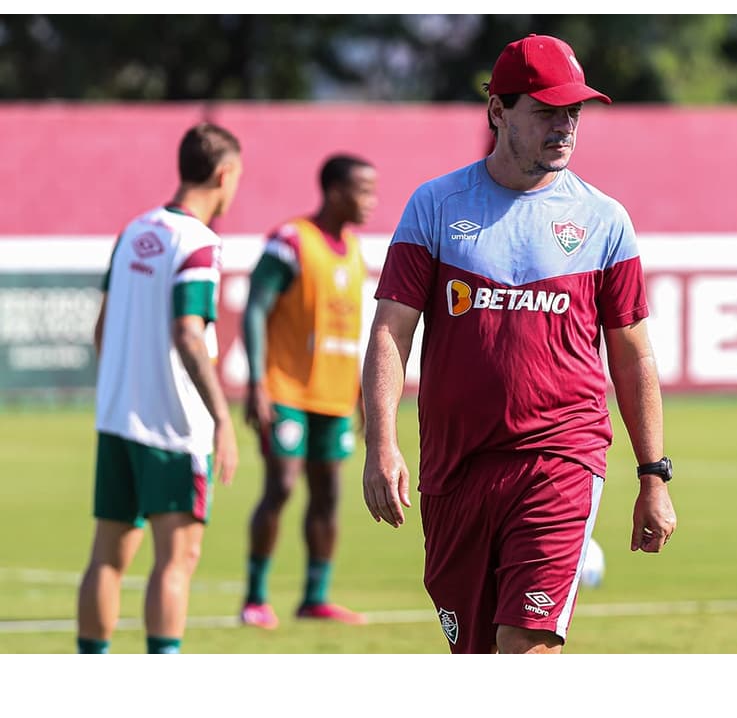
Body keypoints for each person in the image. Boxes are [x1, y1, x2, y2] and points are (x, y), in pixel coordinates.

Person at [362, 33, 678, 654]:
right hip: (453, 470)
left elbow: (633, 353)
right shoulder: (434, 206)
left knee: (526, 648)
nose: (564, 127)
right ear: (498, 112)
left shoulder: (604, 220)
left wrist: (653, 475)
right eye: (546, 112)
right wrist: (382, 443)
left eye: (573, 113)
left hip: (560, 457)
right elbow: (390, 331)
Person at [76, 122, 243, 654]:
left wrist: (126, 389)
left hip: (118, 421)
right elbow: (190, 334)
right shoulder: (199, 241)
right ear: (224, 173)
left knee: (106, 556)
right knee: (177, 560)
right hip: (174, 427)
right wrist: (221, 420)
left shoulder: (133, 231)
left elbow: (102, 329)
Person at [239, 154, 377, 629]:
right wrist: (256, 381)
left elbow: (350, 327)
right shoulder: (290, 241)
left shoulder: (356, 251)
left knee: (328, 495)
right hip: (285, 388)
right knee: (279, 485)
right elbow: (255, 308)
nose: (372, 201)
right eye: (364, 190)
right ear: (336, 191)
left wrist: (362, 392)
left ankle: (315, 597)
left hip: (335, 395)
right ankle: (255, 597)